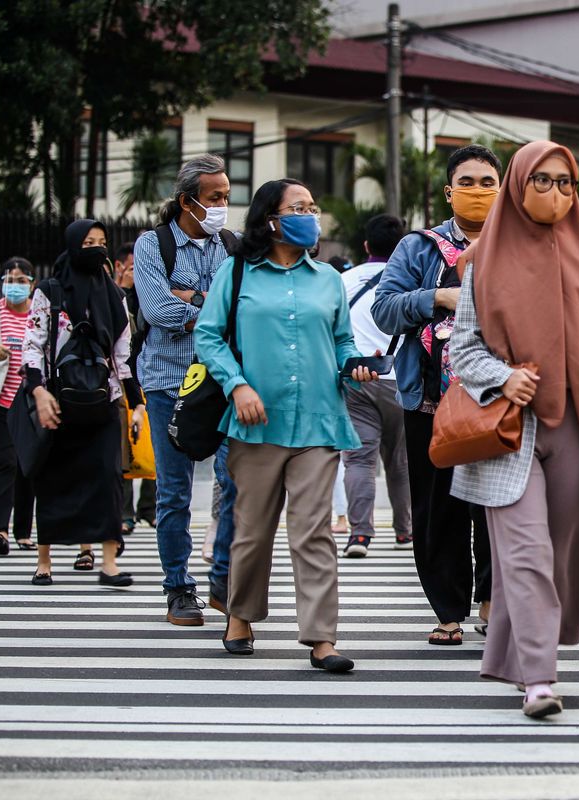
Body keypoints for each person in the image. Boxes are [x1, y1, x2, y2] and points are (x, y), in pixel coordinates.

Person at [449, 140, 579, 717]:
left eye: (566, 183)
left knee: (557, 558)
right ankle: (540, 679)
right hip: (510, 432)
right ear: (518, 185)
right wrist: (503, 378)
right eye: (543, 181)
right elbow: (463, 348)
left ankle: (513, 656)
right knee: (525, 552)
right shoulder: (483, 260)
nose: (556, 193)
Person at [196, 178, 377, 672]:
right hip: (255, 420)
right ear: (270, 219)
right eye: (300, 207)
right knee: (252, 529)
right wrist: (236, 384)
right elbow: (208, 337)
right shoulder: (236, 273)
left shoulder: (327, 279)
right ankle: (241, 615)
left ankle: (321, 637)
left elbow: (341, 341)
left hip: (319, 420)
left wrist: (353, 363)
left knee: (313, 530)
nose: (311, 215)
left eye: (313, 207)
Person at [372, 144, 501, 644]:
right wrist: (437, 298)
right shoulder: (417, 248)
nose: (476, 192)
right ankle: (449, 613)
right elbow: (384, 310)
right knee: (436, 508)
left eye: (487, 182)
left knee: (497, 507)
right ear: (449, 192)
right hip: (430, 399)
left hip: (499, 395)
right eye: (466, 183)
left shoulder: (522, 240)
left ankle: (491, 604)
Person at [134, 154, 239, 625]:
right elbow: (157, 311)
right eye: (215, 197)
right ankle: (178, 588)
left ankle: (222, 576)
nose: (222, 206)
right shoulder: (152, 245)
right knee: (173, 492)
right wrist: (208, 305)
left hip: (221, 380)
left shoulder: (232, 245)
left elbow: (243, 308)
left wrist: (191, 299)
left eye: (226, 197)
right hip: (166, 382)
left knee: (233, 480)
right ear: (187, 201)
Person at [23, 220, 141, 588]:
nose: (96, 249)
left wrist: (134, 405)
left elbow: (123, 355)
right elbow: (33, 344)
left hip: (103, 401)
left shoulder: (114, 297)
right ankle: (45, 561)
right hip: (59, 399)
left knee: (107, 477)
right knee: (54, 476)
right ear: (73, 245)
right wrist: (38, 392)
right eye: (88, 242)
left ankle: (108, 564)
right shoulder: (49, 291)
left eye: (102, 243)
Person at [340, 213, 412, 556]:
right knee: (401, 462)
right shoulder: (412, 282)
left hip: (357, 379)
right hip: (401, 380)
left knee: (358, 460)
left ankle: (360, 535)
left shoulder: (345, 281)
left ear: (366, 246)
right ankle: (405, 531)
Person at [0, 257, 37, 554]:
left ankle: (23, 531)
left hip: (28, 403)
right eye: (10, 280)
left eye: (21, 280)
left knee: (27, 465)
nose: (15, 285)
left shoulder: (38, 316)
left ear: (32, 284)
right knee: (6, 461)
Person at [114, 241, 157, 536]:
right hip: (123, 378)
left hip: (151, 374)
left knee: (155, 448)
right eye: (132, 266)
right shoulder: (115, 295)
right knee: (127, 445)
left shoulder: (149, 290)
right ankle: (125, 513)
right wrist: (126, 290)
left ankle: (149, 509)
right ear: (119, 267)